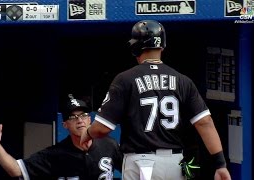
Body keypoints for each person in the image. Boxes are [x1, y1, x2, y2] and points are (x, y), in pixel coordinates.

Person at [80, 20, 232, 180]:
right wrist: (220, 164)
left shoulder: (125, 79)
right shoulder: (182, 80)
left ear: (135, 48)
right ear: (162, 47)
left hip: (141, 163)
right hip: (174, 163)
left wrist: (87, 133)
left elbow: (102, 128)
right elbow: (205, 122)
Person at [0, 95, 123, 180]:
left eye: (84, 115)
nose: (79, 120)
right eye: (73, 117)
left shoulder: (109, 145)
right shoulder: (55, 154)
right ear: (65, 124)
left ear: (90, 119)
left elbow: (132, 168)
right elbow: (15, 170)